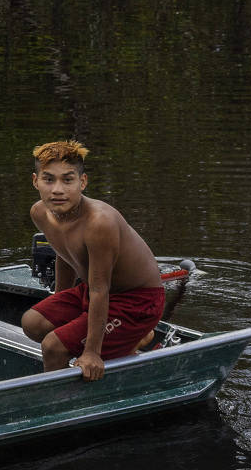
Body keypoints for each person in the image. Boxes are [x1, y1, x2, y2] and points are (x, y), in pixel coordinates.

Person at [21, 141, 166, 378]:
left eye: (68, 180)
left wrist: (91, 352)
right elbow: (63, 254)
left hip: (137, 302)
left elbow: (100, 289)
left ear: (83, 182)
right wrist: (60, 304)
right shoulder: (39, 212)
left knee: (53, 347)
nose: (58, 190)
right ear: (35, 181)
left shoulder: (99, 222)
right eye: (49, 180)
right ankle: (130, 340)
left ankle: (63, 407)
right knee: (32, 322)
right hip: (93, 291)